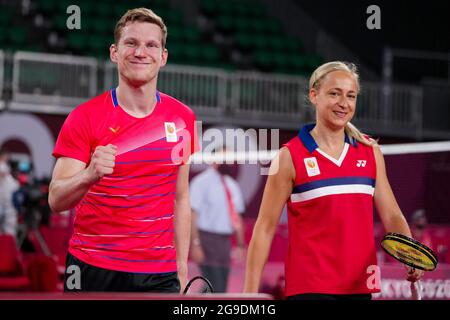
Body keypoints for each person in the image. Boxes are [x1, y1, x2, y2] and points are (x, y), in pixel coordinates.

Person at [243, 61, 424, 300]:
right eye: (334, 93)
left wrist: (410, 256)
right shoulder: (289, 156)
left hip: (360, 286)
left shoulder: (370, 151)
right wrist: (247, 296)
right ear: (314, 95)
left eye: (351, 96)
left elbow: (392, 215)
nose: (344, 103)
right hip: (310, 287)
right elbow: (264, 229)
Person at [49, 8, 198, 293]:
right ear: (114, 53)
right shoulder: (84, 117)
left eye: (151, 45)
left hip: (159, 274)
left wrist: (181, 268)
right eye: (131, 43)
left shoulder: (183, 118)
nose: (141, 52)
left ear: (163, 57)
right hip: (91, 268)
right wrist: (89, 174)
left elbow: (180, 197)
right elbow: (56, 199)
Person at [189, 159, 246, 293]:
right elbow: (192, 215)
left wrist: (240, 244)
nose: (230, 162)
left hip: (225, 242)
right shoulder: (200, 182)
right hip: (207, 240)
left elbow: (237, 216)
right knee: (213, 285)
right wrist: (195, 244)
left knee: (221, 287)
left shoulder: (232, 185)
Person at [0, 150, 19, 237]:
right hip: (3, 198)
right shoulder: (2, 166)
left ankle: (8, 242)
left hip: (9, 199)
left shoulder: (5, 166)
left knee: (9, 222)